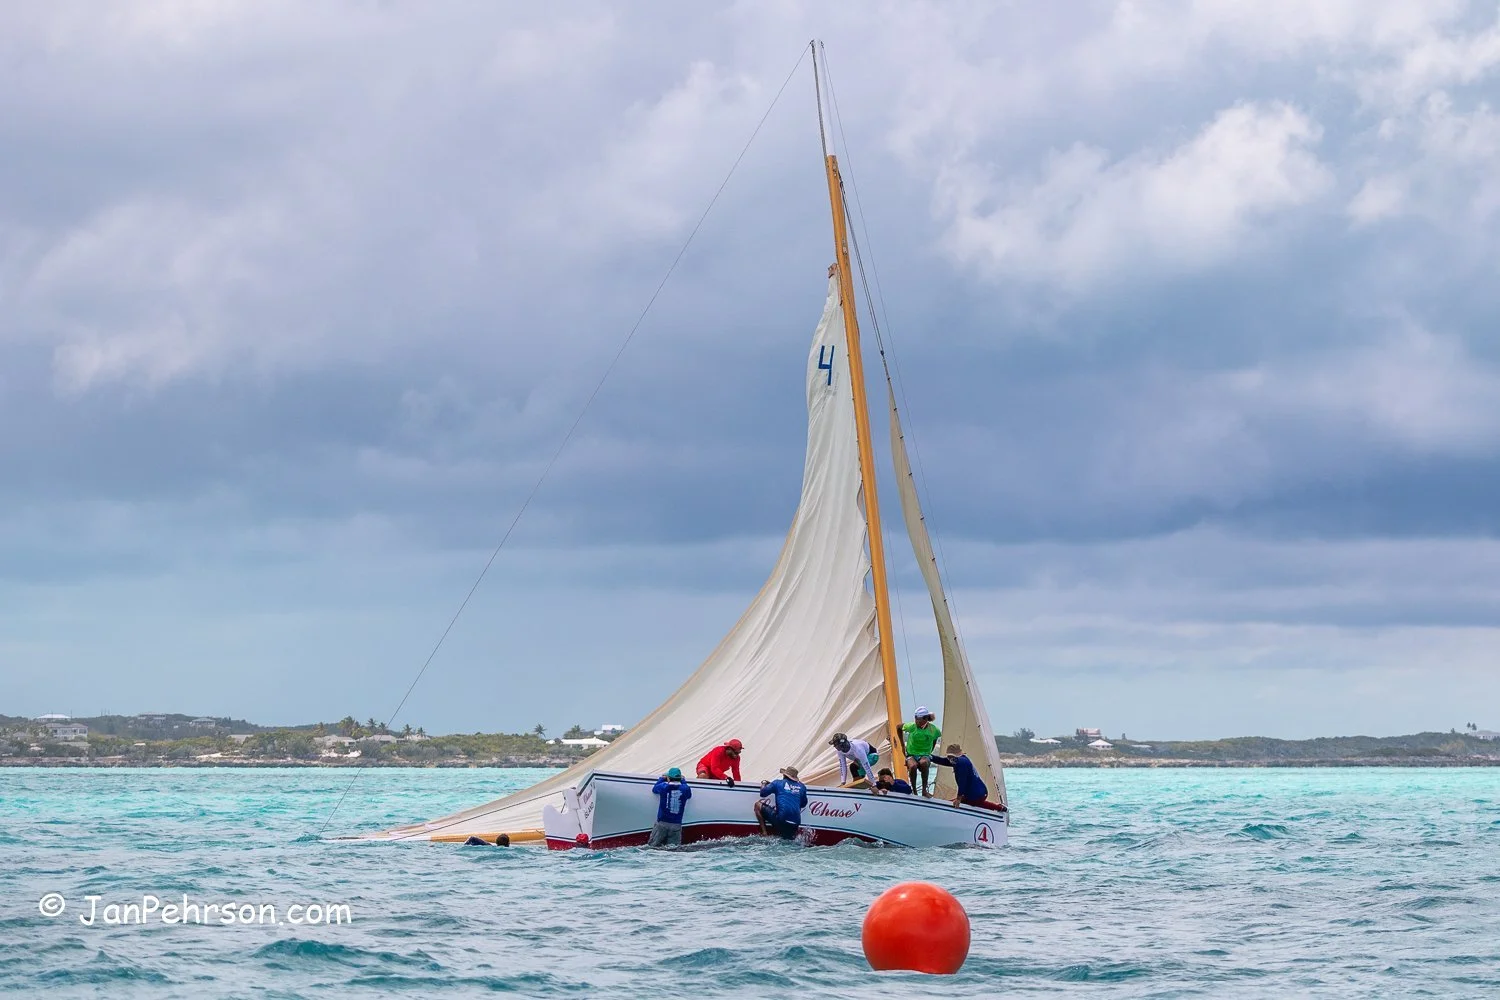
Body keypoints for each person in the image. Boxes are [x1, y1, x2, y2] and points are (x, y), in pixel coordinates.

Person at [929, 743, 1004, 811]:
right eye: (948, 757)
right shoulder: (958, 760)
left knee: (956, 804)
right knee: (976, 803)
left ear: (956, 755)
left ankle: (998, 807)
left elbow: (962, 783)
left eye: (951, 756)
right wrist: (930, 757)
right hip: (980, 792)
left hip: (976, 794)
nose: (949, 759)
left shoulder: (961, 763)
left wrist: (958, 799)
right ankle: (1000, 808)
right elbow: (944, 761)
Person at [754, 766, 809, 840]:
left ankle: (764, 834)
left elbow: (762, 793)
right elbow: (803, 804)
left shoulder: (777, 783)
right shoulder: (802, 787)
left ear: (784, 775)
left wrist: (764, 783)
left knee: (757, 805)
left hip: (781, 820)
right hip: (795, 824)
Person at [897, 706, 941, 797]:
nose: (916, 721)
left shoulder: (934, 730)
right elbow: (898, 727)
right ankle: (915, 791)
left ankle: (924, 791)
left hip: (924, 754)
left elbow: (934, 740)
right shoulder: (912, 726)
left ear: (925, 719)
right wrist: (902, 745)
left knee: (924, 763)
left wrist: (929, 752)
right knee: (913, 766)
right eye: (915, 719)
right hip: (911, 754)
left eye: (919, 719)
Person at [649, 767, 692, 847]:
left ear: (668, 778)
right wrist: (683, 781)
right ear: (680, 778)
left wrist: (661, 778)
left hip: (662, 823)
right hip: (676, 825)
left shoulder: (663, 787)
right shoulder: (685, 788)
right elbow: (689, 795)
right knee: (673, 849)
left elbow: (654, 789)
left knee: (653, 847)